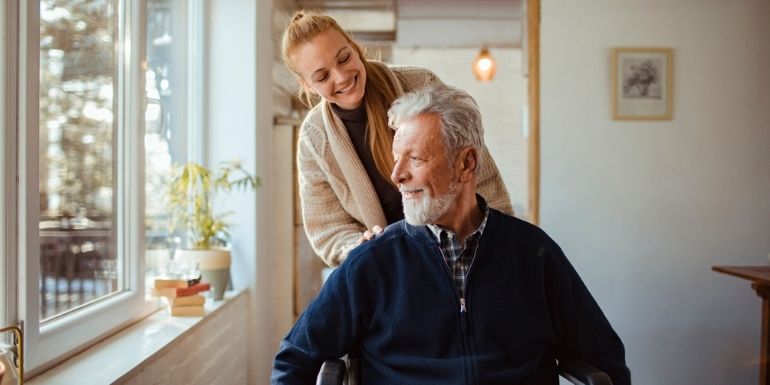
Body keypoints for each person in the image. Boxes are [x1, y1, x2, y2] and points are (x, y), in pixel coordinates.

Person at [271, 84, 631, 385]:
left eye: (415, 159)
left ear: (466, 164)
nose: (396, 175)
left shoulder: (533, 253)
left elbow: (603, 357)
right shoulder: (373, 262)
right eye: (396, 158)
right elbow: (293, 362)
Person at [281, 11, 512, 266]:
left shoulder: (421, 83)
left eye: (344, 58)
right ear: (307, 85)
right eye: (322, 77)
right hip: (391, 268)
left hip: (462, 250)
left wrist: (499, 240)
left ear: (354, 46)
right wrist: (357, 246)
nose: (342, 76)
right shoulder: (314, 139)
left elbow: (478, 172)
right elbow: (327, 229)